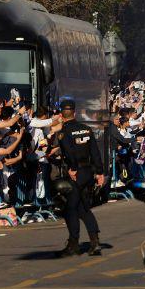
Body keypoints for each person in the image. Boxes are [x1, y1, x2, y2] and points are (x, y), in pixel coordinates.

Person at [54, 99, 106, 258]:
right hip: (88, 171)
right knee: (83, 208)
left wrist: (73, 168)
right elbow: (95, 152)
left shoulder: (64, 132)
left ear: (62, 115)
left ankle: (73, 244)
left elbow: (69, 152)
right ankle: (95, 242)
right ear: (74, 112)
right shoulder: (86, 129)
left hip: (75, 173)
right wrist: (100, 172)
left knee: (70, 209)